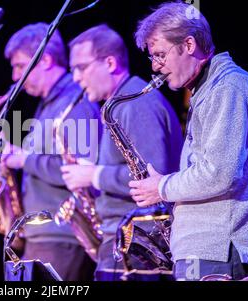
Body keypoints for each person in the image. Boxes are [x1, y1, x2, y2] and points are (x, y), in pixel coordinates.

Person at [129, 1, 248, 280]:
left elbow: (221, 172)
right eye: (152, 58)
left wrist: (163, 187)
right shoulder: (209, 90)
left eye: (160, 55)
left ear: (189, 44)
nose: (156, 67)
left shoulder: (227, 86)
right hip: (209, 251)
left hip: (221, 252)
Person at [62, 24, 183, 278]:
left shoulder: (134, 103)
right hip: (126, 239)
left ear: (109, 63)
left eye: (81, 67)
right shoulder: (118, 104)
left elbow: (154, 179)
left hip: (136, 244)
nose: (75, 78)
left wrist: (94, 176)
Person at [0, 23, 101, 280]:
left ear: (44, 60)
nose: (15, 77)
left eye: (20, 66)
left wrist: (23, 159)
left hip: (62, 236)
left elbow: (81, 172)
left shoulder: (75, 102)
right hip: (42, 236)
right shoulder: (49, 104)